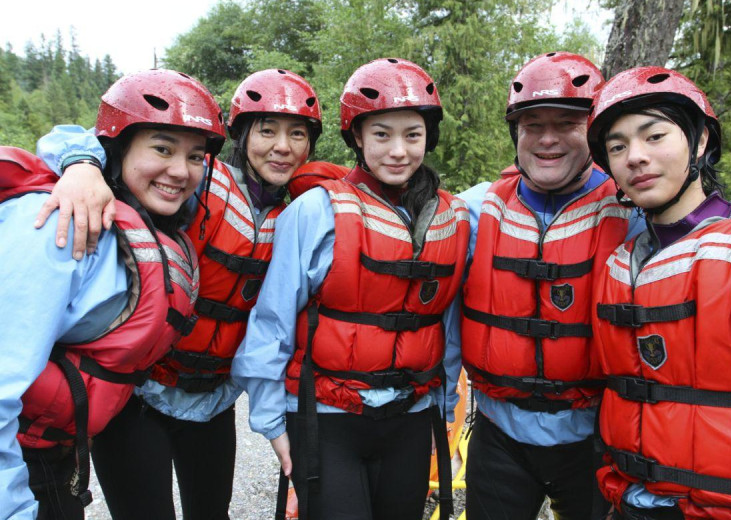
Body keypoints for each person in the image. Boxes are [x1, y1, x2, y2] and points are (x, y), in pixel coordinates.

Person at [454, 51, 731, 520]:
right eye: (532, 125)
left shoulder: (641, 212)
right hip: (501, 434)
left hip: (596, 442)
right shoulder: (475, 211)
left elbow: (721, 220)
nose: (548, 138)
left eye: (567, 123)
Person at [33, 69, 337, 520]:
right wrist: (81, 164)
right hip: (138, 395)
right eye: (267, 130)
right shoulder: (193, 177)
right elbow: (86, 140)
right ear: (239, 133)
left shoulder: (301, 210)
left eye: (297, 134)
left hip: (214, 401)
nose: (282, 146)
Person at [231, 57, 469, 520]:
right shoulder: (315, 212)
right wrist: (271, 422)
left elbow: (448, 326)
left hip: (412, 416)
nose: (398, 150)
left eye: (412, 135)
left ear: (428, 138)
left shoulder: (455, 217)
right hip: (326, 418)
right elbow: (272, 321)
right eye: (381, 134)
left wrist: (445, 409)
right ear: (357, 137)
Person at [0, 68, 225, 519]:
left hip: (57, 454)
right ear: (117, 149)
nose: (181, 171)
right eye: (162, 148)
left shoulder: (153, 217)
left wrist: (80, 158)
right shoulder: (58, 223)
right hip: (20, 464)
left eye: (196, 156)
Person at [585, 66, 731, 520]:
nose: (635, 157)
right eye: (617, 147)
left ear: (700, 141)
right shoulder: (622, 260)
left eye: (655, 136)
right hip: (632, 502)